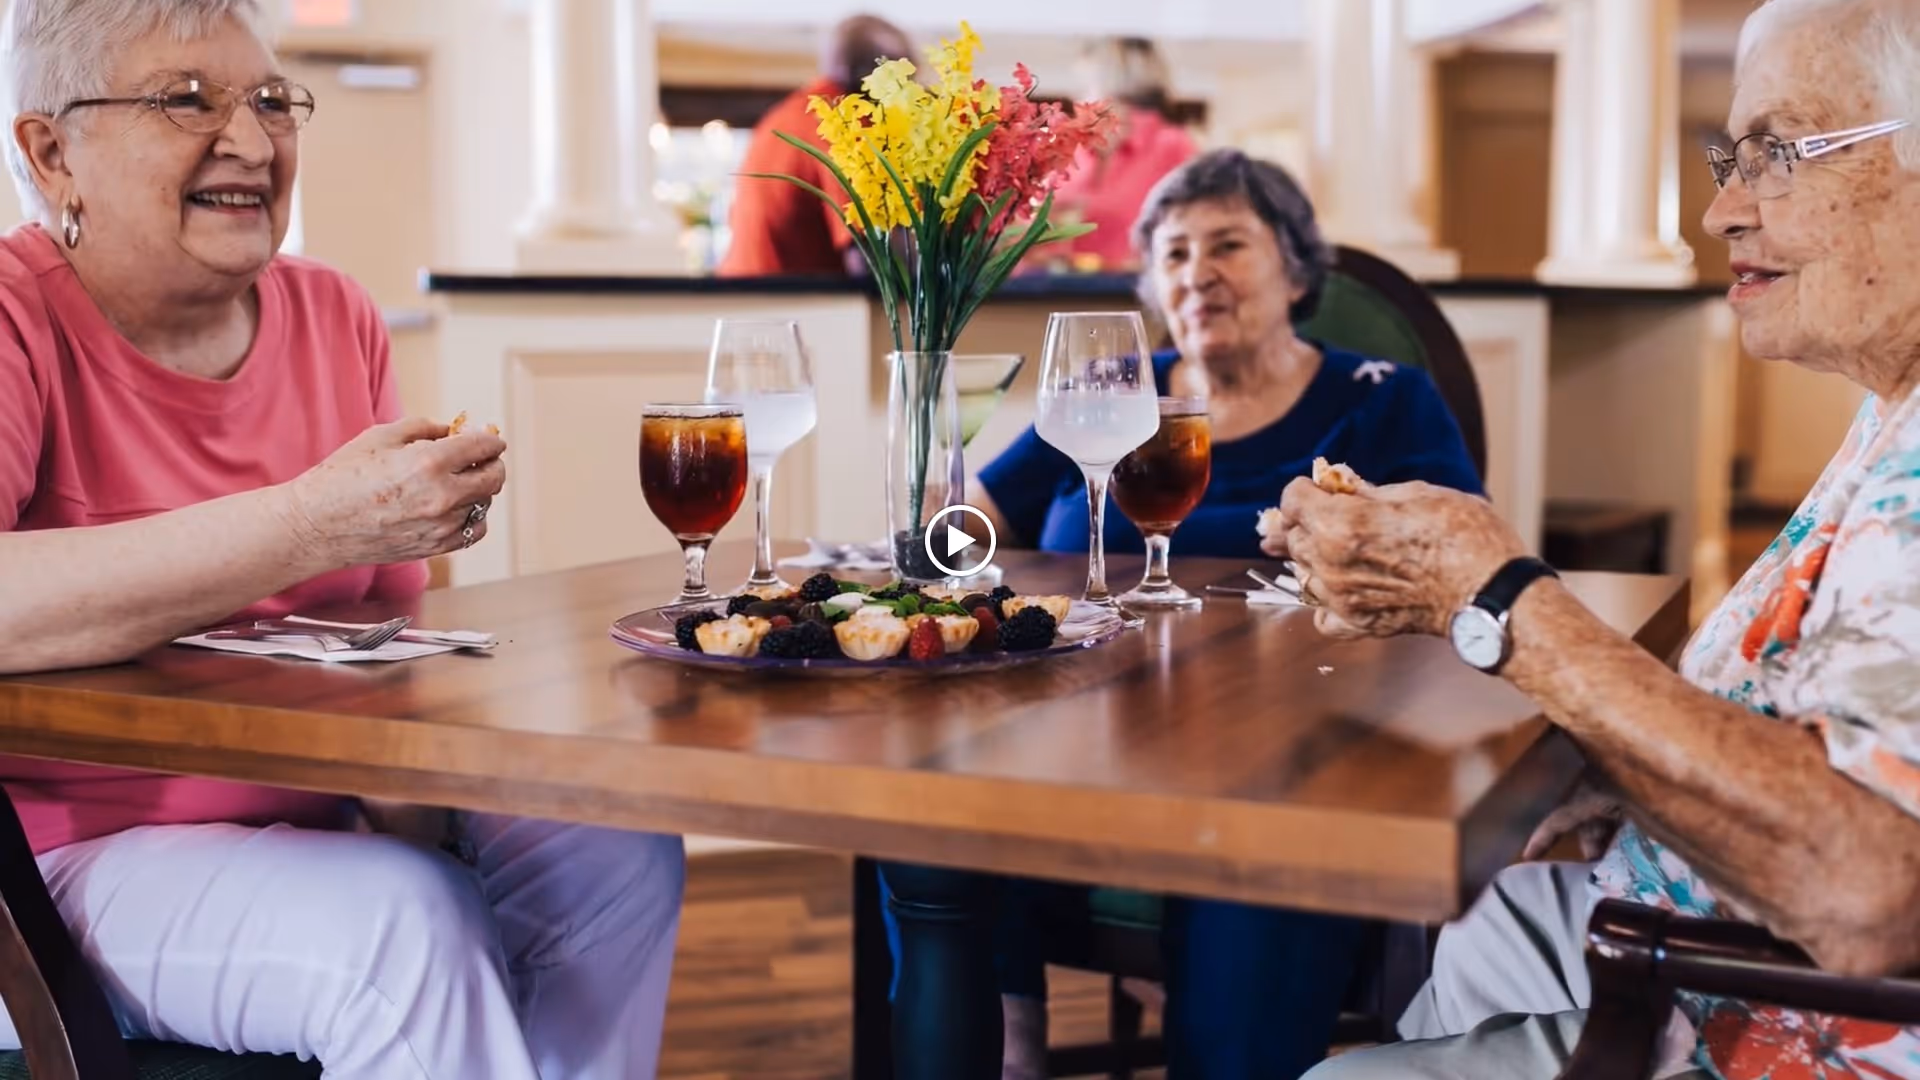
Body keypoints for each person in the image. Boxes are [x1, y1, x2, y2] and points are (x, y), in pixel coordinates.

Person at [0, 2, 684, 1076]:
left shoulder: (334, 315)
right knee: (401, 928)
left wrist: (414, 802)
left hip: (310, 815)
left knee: (614, 853)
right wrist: (313, 519)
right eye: (188, 99)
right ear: (52, 153)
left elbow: (384, 640)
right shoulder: (13, 313)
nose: (251, 139)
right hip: (56, 858)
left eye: (273, 100)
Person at [1293, 1, 1920, 1077]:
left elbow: (1867, 895)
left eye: (1774, 154)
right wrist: (1637, 774)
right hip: (1693, 918)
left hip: (1780, 1020)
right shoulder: (1892, 410)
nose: (1718, 211)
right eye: (1734, 156)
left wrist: (1497, 597)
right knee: (1492, 927)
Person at [882, 150, 1484, 1080]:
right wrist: (929, 507)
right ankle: (1006, 1050)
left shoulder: (1380, 400)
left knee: (1265, 870)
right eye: (1172, 253)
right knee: (929, 797)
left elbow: (1457, 562)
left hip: (1285, 743)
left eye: (1228, 245)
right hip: (1077, 735)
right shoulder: (1108, 391)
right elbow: (967, 534)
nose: (1195, 272)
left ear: (1294, 267)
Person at [716, 14, 910, 277]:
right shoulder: (841, 121)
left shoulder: (790, 113)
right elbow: (869, 257)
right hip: (789, 304)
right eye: (906, 80)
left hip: (740, 292)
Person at [1046, 37, 1198, 273]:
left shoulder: (1173, 146)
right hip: (1066, 287)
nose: (1077, 98)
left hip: (1137, 292)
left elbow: (1193, 230)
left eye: (1086, 87)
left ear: (1115, 87)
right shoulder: (1076, 148)